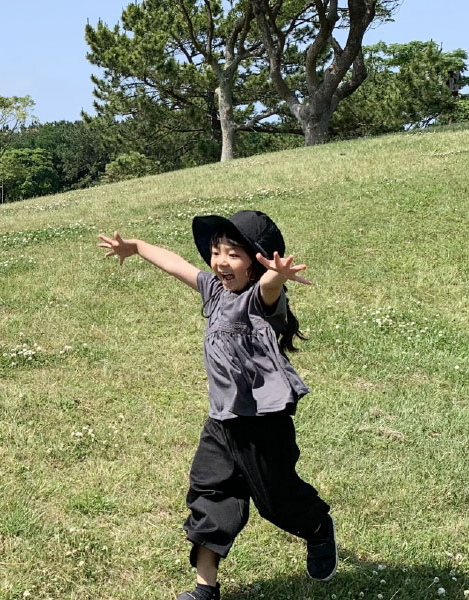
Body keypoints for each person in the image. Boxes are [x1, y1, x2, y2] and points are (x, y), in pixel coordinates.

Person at [97, 210, 336, 600]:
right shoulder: (214, 291)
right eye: (216, 253)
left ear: (256, 263)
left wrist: (276, 274)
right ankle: (205, 589)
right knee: (209, 496)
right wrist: (137, 247)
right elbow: (176, 265)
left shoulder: (259, 300)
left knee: (276, 501)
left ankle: (318, 528)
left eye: (233, 255)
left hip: (263, 425)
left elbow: (270, 287)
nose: (221, 262)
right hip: (222, 422)